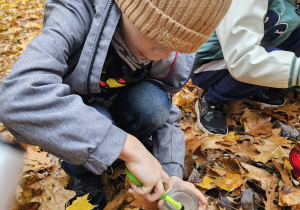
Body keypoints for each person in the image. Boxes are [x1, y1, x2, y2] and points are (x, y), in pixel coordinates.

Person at [0, 0, 232, 209]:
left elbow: (167, 110)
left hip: (121, 109)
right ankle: (83, 171)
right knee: (99, 119)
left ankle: (120, 154)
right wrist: (129, 148)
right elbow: (16, 97)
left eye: (177, 47)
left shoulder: (169, 55)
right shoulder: (78, 10)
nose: (163, 54)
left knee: (154, 102)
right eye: (157, 35)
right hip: (79, 116)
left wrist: (170, 175)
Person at [191, 0, 300, 135]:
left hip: (253, 47)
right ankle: (211, 99)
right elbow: (242, 58)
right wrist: (296, 71)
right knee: (254, 66)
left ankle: (250, 89)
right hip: (211, 60)